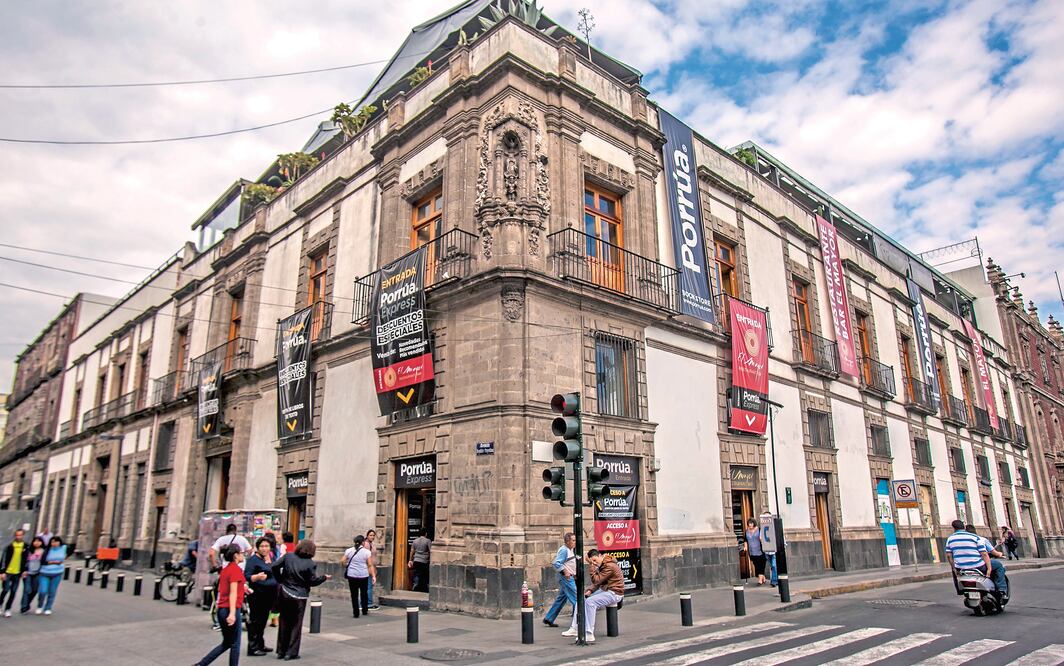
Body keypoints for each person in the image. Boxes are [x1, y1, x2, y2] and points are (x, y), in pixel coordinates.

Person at [272, 539, 329, 660]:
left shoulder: (288, 556)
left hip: (285, 592)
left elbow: (274, 566)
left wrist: (281, 579)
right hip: (300, 596)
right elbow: (312, 581)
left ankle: (281, 651)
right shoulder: (310, 563)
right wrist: (324, 578)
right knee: (296, 624)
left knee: (284, 621)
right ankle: (291, 652)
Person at [194, 544, 245, 666]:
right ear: (236, 556)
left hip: (222, 608)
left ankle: (201, 664)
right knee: (235, 644)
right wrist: (232, 613)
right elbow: (232, 593)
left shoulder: (225, 570)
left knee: (227, 642)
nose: (243, 555)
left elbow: (226, 589)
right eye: (241, 553)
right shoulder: (235, 570)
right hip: (230, 609)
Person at [561, 549, 624, 643]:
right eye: (592, 561)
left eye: (595, 560)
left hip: (615, 593)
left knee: (591, 602)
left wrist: (591, 566)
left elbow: (597, 580)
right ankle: (575, 628)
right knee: (581, 599)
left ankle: (589, 633)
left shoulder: (609, 565)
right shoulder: (603, 564)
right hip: (606, 590)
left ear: (600, 555)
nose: (594, 562)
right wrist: (590, 590)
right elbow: (599, 582)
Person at [945, 520, 1007, 597]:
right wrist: (989, 569)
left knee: (954, 570)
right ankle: (1002, 590)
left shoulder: (950, 539)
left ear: (953, 528)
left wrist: (954, 569)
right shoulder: (975, 537)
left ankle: (959, 590)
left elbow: (949, 556)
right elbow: (984, 554)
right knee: (998, 565)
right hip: (978, 566)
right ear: (964, 527)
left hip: (961, 568)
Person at [244, 538, 277, 657]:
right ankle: (252, 647)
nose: (264, 548)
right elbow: (247, 576)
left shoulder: (271, 558)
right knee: (255, 621)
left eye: (267, 546)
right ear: (258, 547)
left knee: (263, 621)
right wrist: (257, 577)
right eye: (262, 546)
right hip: (257, 595)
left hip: (268, 595)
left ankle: (260, 644)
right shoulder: (253, 560)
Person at [543, 532, 577, 627]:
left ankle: (549, 618)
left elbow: (568, 563)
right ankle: (578, 622)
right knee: (577, 599)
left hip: (569, 577)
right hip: (567, 578)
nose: (575, 542)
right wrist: (566, 571)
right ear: (567, 541)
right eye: (573, 540)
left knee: (561, 599)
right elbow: (556, 563)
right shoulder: (564, 550)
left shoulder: (570, 549)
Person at [342, 534, 375, 618]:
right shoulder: (367, 552)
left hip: (352, 575)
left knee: (354, 594)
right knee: (364, 593)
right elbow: (370, 565)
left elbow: (342, 561)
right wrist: (373, 576)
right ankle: (364, 610)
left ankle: (355, 612)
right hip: (363, 575)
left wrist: (347, 566)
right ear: (363, 542)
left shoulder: (349, 551)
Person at [0, 528, 28, 618]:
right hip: (8, 571)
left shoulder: (25, 546)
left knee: (13, 591)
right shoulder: (10, 546)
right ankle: (0, 605)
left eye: (20, 535)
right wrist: (2, 571)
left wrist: (24, 570)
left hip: (17, 572)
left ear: (23, 535)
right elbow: (3, 560)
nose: (18, 536)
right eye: (17, 535)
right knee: (5, 590)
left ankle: (8, 609)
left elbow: (27, 559)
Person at [36, 536, 67, 615]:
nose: (54, 543)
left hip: (57, 573)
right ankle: (40, 605)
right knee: (43, 591)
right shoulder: (47, 550)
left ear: (60, 542)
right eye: (52, 542)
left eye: (56, 542)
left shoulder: (63, 548)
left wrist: (65, 557)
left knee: (52, 591)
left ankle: (48, 607)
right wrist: (54, 562)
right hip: (45, 572)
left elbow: (71, 548)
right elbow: (43, 561)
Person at [19, 536, 46, 614]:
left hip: (38, 573)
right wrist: (23, 570)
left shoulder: (44, 551)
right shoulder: (28, 550)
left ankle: (27, 603)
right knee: (27, 590)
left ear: (42, 542)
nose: (37, 542)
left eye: (39, 541)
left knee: (34, 590)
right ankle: (23, 607)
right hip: (27, 573)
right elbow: (23, 561)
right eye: (35, 541)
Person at [743, 518, 767, 585]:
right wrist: (745, 547)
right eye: (749, 524)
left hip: (760, 550)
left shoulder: (759, 529)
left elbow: (763, 538)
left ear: (754, 523)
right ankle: (763, 578)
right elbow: (745, 540)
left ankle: (760, 580)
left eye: (751, 523)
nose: (750, 525)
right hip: (752, 551)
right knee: (756, 565)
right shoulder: (746, 531)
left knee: (761, 565)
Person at [759, 509, 779, 587]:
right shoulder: (763, 527)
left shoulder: (774, 526)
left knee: (774, 565)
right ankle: (775, 578)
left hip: (773, 550)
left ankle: (774, 581)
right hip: (767, 550)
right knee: (772, 566)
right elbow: (761, 538)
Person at [365, 529, 379, 610]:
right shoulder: (366, 544)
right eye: (370, 535)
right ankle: (369, 603)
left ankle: (365, 602)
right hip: (369, 568)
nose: (372, 537)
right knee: (369, 586)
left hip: (372, 568)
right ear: (367, 536)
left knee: (368, 586)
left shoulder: (372, 544)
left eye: (373, 535)